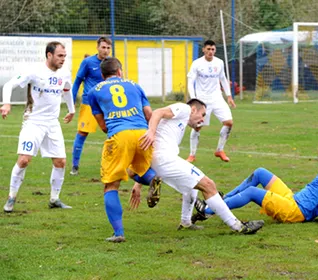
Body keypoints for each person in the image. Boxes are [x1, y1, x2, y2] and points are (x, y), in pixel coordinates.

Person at [129, 99, 264, 234]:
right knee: (208, 184)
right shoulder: (184, 108)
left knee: (192, 187)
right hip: (165, 159)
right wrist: (151, 132)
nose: (203, 119)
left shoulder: (177, 122)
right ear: (193, 109)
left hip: (158, 161)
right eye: (203, 114)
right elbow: (158, 112)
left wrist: (138, 183)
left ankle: (186, 222)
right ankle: (239, 227)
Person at [192, 137, 318, 225]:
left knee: (251, 192)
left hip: (296, 211)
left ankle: (208, 210)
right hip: (292, 199)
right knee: (260, 173)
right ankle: (220, 200)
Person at [87, 57, 161, 243]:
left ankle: (118, 233)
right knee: (138, 170)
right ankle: (153, 179)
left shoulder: (93, 91)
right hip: (143, 133)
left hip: (120, 135)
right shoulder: (135, 86)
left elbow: (103, 125)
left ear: (102, 75)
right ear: (120, 71)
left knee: (111, 185)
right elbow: (149, 114)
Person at [1, 41, 75, 212]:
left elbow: (67, 90)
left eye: (64, 56)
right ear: (49, 55)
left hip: (52, 123)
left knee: (60, 162)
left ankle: (54, 199)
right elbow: (9, 85)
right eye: (60, 56)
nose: (63, 59)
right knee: (24, 160)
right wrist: (7, 104)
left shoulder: (64, 73)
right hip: (33, 122)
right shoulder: (35, 71)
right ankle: (11, 198)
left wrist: (71, 110)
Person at [186, 40, 235, 163]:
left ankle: (220, 150)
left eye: (212, 49)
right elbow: (190, 82)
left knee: (229, 122)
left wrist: (228, 96)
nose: (210, 52)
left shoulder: (219, 62)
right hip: (202, 101)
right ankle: (192, 154)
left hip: (217, 98)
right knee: (197, 127)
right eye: (208, 49)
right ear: (203, 50)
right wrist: (194, 99)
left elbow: (223, 79)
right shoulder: (197, 64)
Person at [70, 37, 112, 175]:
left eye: (108, 48)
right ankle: (75, 166)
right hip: (89, 103)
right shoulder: (88, 62)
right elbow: (77, 81)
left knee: (114, 133)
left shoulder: (112, 64)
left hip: (107, 104)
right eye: (103, 47)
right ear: (97, 47)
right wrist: (71, 102)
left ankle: (112, 164)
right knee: (82, 133)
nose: (105, 50)